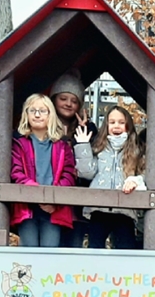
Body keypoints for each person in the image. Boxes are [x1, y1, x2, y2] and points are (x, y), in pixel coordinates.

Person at [10, 93, 77, 248]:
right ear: (26, 114)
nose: (37, 115)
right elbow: (16, 172)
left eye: (42, 111)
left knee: (50, 250)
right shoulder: (18, 143)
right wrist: (37, 195)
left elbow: (69, 174)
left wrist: (53, 199)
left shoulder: (62, 145)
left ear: (50, 115)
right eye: (33, 110)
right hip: (27, 206)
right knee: (28, 250)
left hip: (53, 208)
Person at [75, 105, 146, 250]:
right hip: (99, 209)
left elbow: (145, 173)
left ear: (128, 125)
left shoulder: (136, 149)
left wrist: (135, 181)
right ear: (106, 125)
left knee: (125, 249)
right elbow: (86, 172)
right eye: (112, 122)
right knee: (95, 248)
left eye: (121, 122)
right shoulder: (99, 147)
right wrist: (83, 145)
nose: (116, 126)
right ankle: (95, 273)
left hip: (125, 210)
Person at [49, 70, 98, 248]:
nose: (68, 104)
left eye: (74, 101)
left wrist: (83, 137)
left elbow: (92, 165)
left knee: (72, 249)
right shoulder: (41, 125)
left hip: (77, 206)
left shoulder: (90, 129)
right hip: (48, 200)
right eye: (63, 98)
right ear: (54, 99)